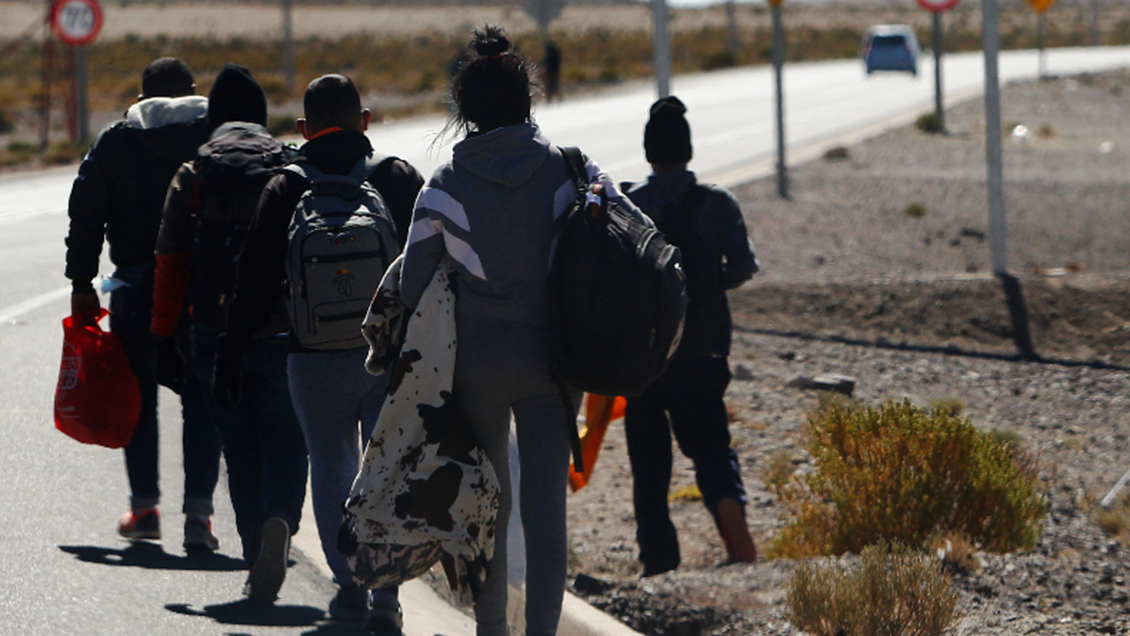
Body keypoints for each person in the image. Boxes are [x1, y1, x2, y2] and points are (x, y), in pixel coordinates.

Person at [398, 25, 644, 636]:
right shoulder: (571, 170)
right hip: (555, 363)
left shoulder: (443, 187)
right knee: (545, 510)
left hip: (477, 368)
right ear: (528, 99)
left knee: (489, 505)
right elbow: (632, 229)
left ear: (465, 110)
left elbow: (410, 287)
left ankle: (491, 628)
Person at [223, 74, 423, 631]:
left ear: (304, 129)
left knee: (332, 469)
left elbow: (254, 280)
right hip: (388, 356)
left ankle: (350, 585)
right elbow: (435, 266)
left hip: (310, 357)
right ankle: (387, 599)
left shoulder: (284, 187)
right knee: (386, 472)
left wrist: (231, 350)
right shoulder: (396, 177)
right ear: (365, 121)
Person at [151, 63, 308, 603]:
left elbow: (171, 262)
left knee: (240, 448)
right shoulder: (288, 167)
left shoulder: (195, 172)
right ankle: (282, 518)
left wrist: (162, 338)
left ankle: (254, 554)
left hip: (213, 333)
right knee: (286, 439)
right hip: (281, 330)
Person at [64, 57, 223, 552]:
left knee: (138, 397)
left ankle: (145, 510)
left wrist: (81, 282)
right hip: (202, 288)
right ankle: (199, 517)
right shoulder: (215, 138)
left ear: (140, 98)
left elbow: (85, 213)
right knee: (201, 398)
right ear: (194, 91)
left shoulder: (116, 141)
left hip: (135, 288)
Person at [620, 95, 760, 577]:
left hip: (645, 357)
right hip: (703, 350)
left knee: (649, 463)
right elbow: (743, 266)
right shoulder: (716, 203)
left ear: (648, 151)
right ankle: (739, 543)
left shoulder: (630, 204)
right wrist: (707, 285)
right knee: (712, 450)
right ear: (689, 149)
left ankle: (658, 563)